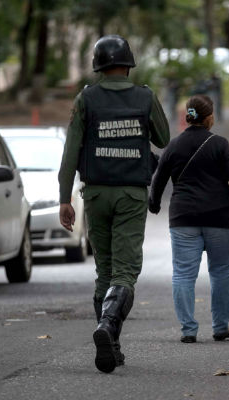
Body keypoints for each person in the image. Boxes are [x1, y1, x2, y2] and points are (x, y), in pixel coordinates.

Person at [58, 34, 170, 373]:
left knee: (103, 271)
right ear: (128, 64)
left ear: (99, 67)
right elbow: (163, 138)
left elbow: (70, 152)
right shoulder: (144, 97)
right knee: (125, 271)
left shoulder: (86, 99)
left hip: (94, 195)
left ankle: (112, 345)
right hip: (130, 195)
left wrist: (65, 198)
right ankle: (108, 326)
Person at [149, 95, 229, 344]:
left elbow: (158, 180)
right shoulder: (219, 144)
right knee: (220, 271)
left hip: (184, 217)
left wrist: (153, 204)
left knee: (183, 274)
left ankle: (188, 329)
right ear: (208, 118)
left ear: (189, 115)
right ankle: (220, 327)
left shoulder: (173, 146)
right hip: (220, 216)